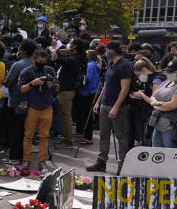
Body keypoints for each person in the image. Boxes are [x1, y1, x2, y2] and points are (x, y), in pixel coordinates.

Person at [87, 40, 132, 174]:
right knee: (103, 135)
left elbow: (124, 89)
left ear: (112, 51)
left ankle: (122, 165)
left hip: (118, 107)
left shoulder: (125, 65)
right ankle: (101, 161)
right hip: (105, 105)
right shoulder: (111, 65)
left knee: (121, 137)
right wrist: (98, 102)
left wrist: (116, 107)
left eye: (107, 50)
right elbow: (106, 85)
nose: (105, 53)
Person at [131, 59, 177, 148]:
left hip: (173, 125)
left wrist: (155, 104)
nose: (167, 74)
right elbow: (153, 97)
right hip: (159, 123)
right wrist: (158, 103)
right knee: (156, 151)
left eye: (170, 72)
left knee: (170, 153)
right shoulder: (167, 81)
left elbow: (172, 105)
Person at [18, 49, 58, 169]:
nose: (42, 63)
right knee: (28, 135)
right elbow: (21, 89)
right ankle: (26, 160)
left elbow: (57, 88)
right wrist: (33, 83)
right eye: (40, 61)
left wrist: (54, 83)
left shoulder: (49, 70)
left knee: (44, 136)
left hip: (47, 106)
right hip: (32, 107)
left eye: (44, 61)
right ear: (33, 60)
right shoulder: (27, 72)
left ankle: (42, 161)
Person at [3, 39, 37, 163]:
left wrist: (4, 77)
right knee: (27, 131)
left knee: (15, 131)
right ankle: (25, 156)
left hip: (16, 103)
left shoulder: (17, 65)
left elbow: (8, 83)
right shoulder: (36, 63)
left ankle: (14, 157)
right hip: (32, 103)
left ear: (22, 51)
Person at [51, 38, 87, 146]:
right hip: (68, 89)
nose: (68, 45)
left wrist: (54, 48)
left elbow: (54, 59)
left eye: (70, 43)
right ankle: (67, 137)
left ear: (75, 46)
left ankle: (68, 139)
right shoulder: (77, 57)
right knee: (64, 114)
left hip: (66, 90)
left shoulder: (73, 59)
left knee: (66, 115)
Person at [74, 49, 101, 145]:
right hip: (91, 91)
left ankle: (87, 137)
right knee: (87, 115)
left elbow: (88, 78)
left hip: (87, 92)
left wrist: (78, 78)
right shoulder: (94, 64)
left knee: (87, 116)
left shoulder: (90, 65)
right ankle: (87, 136)